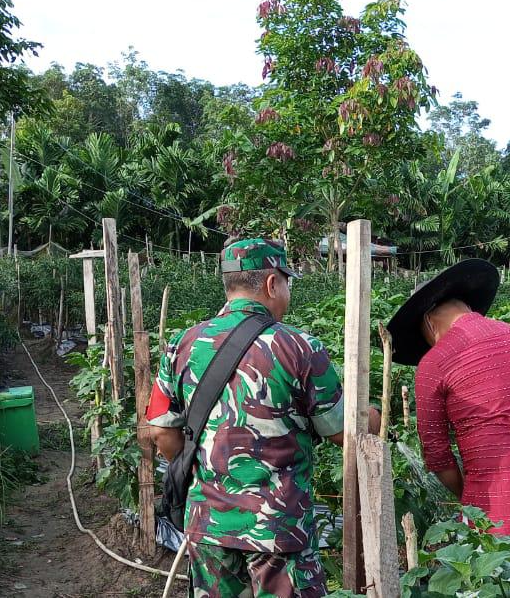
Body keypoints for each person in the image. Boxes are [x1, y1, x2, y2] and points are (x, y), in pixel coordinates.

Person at [146, 238, 380, 598]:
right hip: (278, 528)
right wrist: (376, 417)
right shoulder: (300, 347)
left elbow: (161, 431)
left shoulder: (182, 344)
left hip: (209, 527)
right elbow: (345, 430)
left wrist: (205, 472)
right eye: (287, 281)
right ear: (272, 283)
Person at [386, 259, 510, 543]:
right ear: (468, 308)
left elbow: (436, 453)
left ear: (429, 323)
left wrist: (467, 496)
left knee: (500, 574)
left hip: (500, 483)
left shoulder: (435, 363)